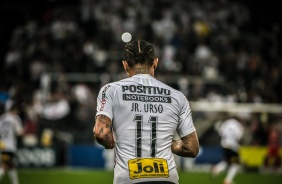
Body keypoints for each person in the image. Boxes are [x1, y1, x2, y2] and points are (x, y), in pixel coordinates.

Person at [93, 40, 199, 184]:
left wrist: (108, 142)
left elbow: (101, 133)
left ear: (125, 64)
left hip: (128, 178)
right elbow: (191, 148)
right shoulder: (177, 96)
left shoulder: (111, 90)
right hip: (167, 178)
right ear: (155, 62)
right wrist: (166, 142)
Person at [211, 116, 244, 184]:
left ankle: (217, 168)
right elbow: (238, 137)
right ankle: (228, 180)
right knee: (235, 164)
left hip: (225, 144)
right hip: (233, 146)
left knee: (228, 162)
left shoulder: (226, 122)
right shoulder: (239, 125)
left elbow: (220, 132)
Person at [0, 101, 24, 184]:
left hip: (2, 145)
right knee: (4, 165)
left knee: (11, 165)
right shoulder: (15, 118)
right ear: (13, 109)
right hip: (9, 146)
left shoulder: (2, 118)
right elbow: (20, 132)